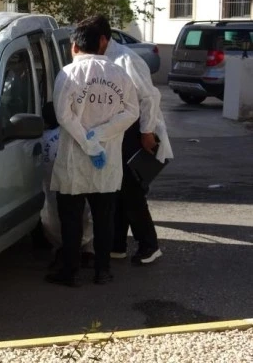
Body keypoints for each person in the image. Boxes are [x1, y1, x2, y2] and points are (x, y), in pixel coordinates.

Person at [45, 23, 139, 287]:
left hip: (74, 159)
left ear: (73, 46)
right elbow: (132, 112)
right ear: (102, 42)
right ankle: (103, 270)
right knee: (104, 218)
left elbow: (63, 115)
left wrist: (88, 141)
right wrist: (99, 137)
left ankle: (70, 271)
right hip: (107, 161)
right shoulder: (119, 73)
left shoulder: (68, 73)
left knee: (71, 219)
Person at [85, 15, 174, 265]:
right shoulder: (103, 58)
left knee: (131, 190)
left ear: (103, 39)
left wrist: (147, 132)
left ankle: (149, 245)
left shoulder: (126, 59)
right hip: (117, 130)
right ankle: (117, 244)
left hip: (135, 131)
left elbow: (149, 98)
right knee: (118, 188)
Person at [40, 101, 95, 271]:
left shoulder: (43, 139)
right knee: (84, 215)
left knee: (57, 218)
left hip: (55, 188)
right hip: (80, 184)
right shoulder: (76, 134)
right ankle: (87, 251)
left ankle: (63, 254)